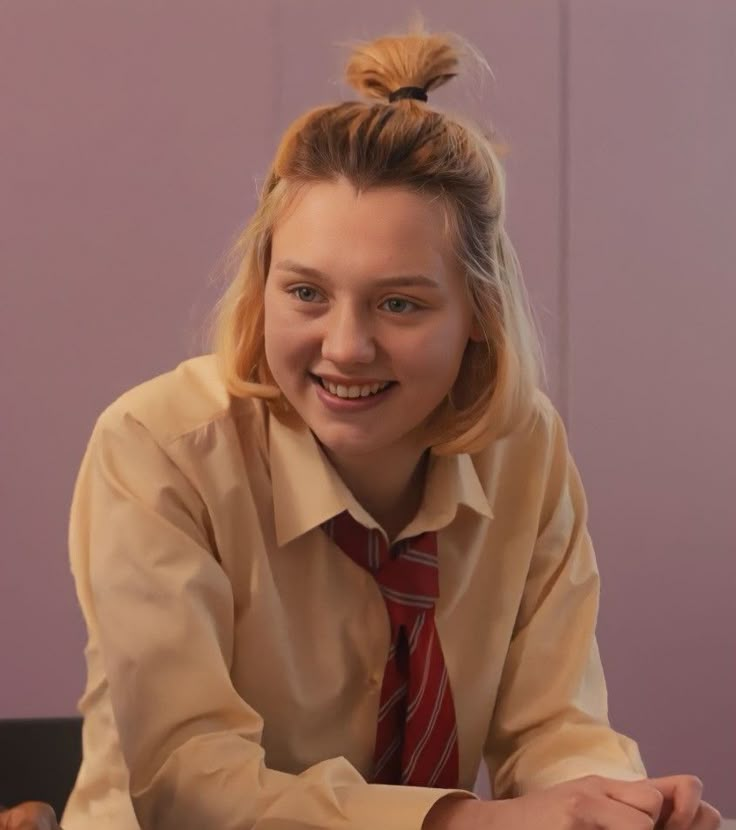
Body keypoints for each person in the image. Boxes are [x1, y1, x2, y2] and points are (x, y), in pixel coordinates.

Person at [5, 27, 722, 830]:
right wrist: (465, 821)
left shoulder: (523, 447)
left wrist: (619, 806)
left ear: (479, 317)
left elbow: (555, 724)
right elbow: (189, 784)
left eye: (400, 304)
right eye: (306, 293)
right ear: (262, 288)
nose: (345, 347)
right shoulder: (157, 448)